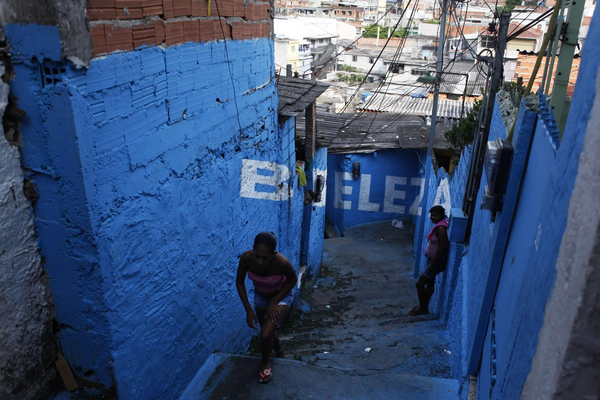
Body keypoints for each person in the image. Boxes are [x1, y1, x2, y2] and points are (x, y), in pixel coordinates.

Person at [236, 232, 298, 383]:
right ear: (253, 250)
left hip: (281, 296)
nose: (260, 262)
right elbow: (239, 282)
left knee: (264, 334)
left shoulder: (282, 262)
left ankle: (265, 361)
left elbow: (292, 281)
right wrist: (248, 310)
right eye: (257, 256)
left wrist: (274, 302)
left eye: (265, 258)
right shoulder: (246, 259)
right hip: (261, 296)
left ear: (274, 254)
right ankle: (280, 351)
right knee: (267, 329)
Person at [408, 205, 449, 316]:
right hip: (432, 260)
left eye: (436, 216)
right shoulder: (440, 225)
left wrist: (433, 264)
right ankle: (423, 306)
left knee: (419, 284)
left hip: (435, 262)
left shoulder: (441, 229)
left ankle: (423, 308)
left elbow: (442, 248)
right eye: (432, 215)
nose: (433, 218)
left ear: (441, 216)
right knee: (430, 282)